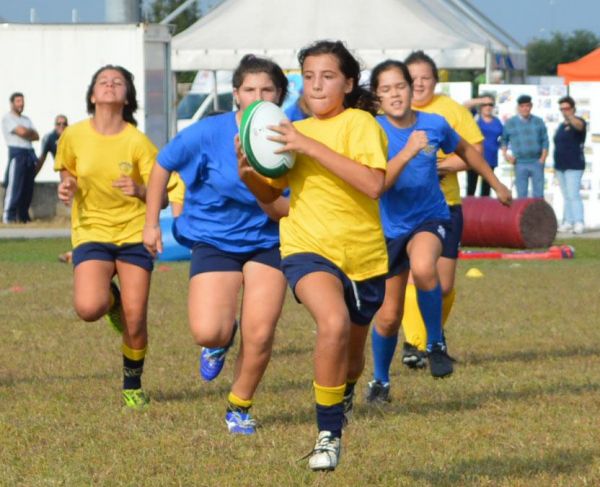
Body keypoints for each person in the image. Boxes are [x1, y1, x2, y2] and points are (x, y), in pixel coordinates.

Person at [239, 40, 388, 472]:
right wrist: (249, 174)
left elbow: (374, 185)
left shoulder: (359, 124)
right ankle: (328, 435)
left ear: (348, 82)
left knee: (352, 361)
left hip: (363, 257)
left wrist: (308, 146)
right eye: (308, 76)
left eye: (327, 76)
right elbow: (274, 202)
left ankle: (340, 395)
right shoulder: (292, 130)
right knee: (333, 321)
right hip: (306, 248)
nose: (317, 85)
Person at [143, 54, 289, 436]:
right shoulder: (210, 132)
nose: (258, 95)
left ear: (280, 95)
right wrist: (150, 224)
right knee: (208, 330)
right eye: (249, 88)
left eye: (267, 89)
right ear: (236, 94)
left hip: (269, 239)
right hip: (215, 238)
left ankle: (239, 407)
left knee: (261, 332)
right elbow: (163, 163)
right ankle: (221, 339)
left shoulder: (293, 135)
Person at [366, 60, 512, 401]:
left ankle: (435, 343)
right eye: (385, 89)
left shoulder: (435, 123)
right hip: (388, 228)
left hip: (431, 218)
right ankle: (380, 381)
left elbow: (467, 152)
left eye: (400, 86)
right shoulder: (371, 129)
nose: (395, 94)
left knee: (424, 267)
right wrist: (408, 151)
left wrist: (495, 182)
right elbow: (378, 184)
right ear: (377, 96)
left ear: (410, 88)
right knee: (388, 318)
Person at [55, 65, 158, 411]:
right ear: (93, 95)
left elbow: (159, 188)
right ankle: (109, 301)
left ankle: (132, 385)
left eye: (118, 82)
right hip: (92, 231)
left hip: (132, 233)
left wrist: (141, 189)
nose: (110, 85)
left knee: (136, 316)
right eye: (103, 81)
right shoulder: (73, 135)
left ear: (127, 96)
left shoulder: (138, 141)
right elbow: (67, 167)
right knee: (89, 308)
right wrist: (67, 183)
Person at [399, 51, 485, 368]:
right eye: (413, 79)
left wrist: (444, 164)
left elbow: (474, 152)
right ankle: (413, 344)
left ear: (436, 81)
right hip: (405, 209)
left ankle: (433, 338)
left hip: (446, 206)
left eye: (426, 78)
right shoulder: (391, 110)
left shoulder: (450, 111)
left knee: (444, 283)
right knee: (414, 274)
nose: (419, 84)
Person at [501, 94, 549, 198]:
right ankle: (523, 214)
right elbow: (504, 140)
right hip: (519, 163)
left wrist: (542, 159)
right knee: (521, 195)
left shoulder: (538, 121)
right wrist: (506, 155)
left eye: (527, 106)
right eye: (522, 106)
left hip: (537, 162)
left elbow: (545, 140)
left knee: (539, 195)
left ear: (531, 106)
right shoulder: (510, 122)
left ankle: (538, 214)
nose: (525, 109)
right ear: (518, 107)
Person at [2, 92, 39, 223]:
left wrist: (26, 132)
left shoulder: (26, 119)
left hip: (29, 153)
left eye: (22, 101)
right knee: (15, 187)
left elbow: (36, 136)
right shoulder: (8, 118)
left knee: (27, 187)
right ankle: (9, 216)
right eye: (18, 101)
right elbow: (23, 132)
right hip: (17, 155)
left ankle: (23, 216)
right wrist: (26, 132)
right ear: (12, 103)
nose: (21, 104)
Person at [554, 96, 586, 234]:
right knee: (566, 195)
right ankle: (568, 221)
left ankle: (579, 222)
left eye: (566, 108)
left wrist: (571, 116)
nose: (564, 111)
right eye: (561, 109)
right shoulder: (562, 125)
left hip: (574, 165)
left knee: (573, 195)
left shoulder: (578, 122)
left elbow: (579, 126)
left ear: (573, 109)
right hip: (560, 165)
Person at [463, 94, 503, 196]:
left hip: (490, 160)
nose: (488, 107)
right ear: (481, 106)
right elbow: (464, 106)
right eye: (485, 104)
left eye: (490, 104)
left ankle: (484, 211)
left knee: (486, 191)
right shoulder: (474, 118)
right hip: (474, 158)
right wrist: (480, 100)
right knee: (471, 189)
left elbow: (503, 138)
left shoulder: (497, 122)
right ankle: (468, 211)